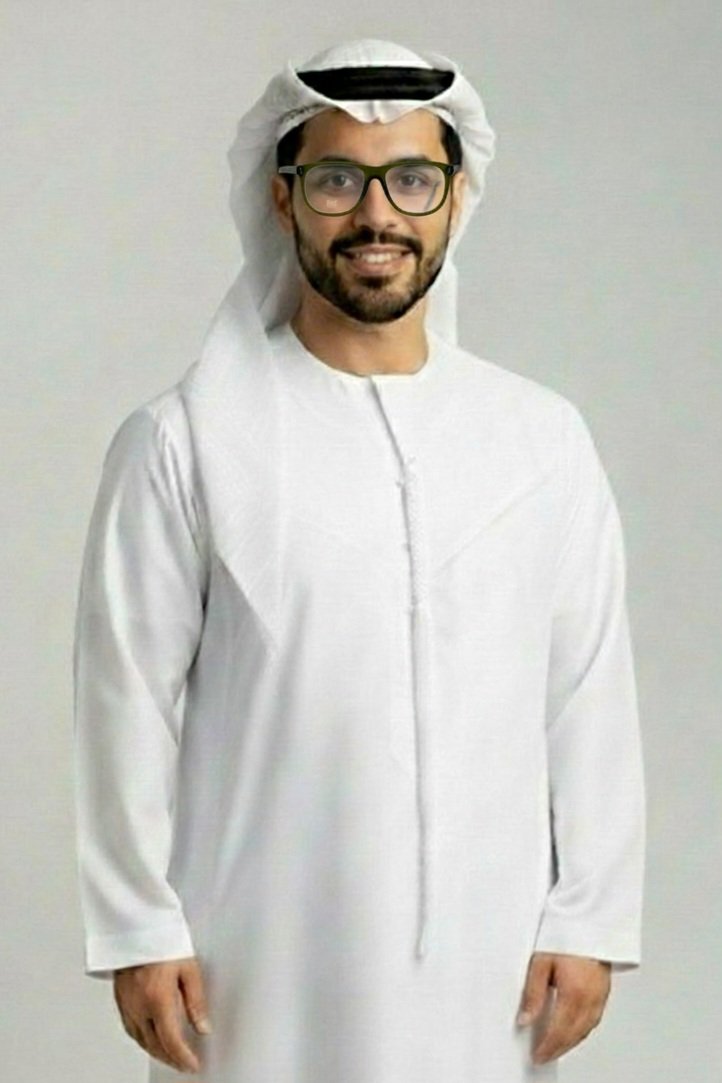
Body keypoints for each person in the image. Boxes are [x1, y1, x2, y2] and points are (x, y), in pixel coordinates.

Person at [72, 39, 646, 1083]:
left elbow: (586, 691)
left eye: (410, 180)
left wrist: (591, 914)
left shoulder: (539, 438)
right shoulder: (186, 440)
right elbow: (124, 700)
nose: (377, 215)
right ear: (283, 199)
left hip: (490, 974)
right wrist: (138, 927)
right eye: (338, 180)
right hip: (255, 969)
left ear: (456, 198)